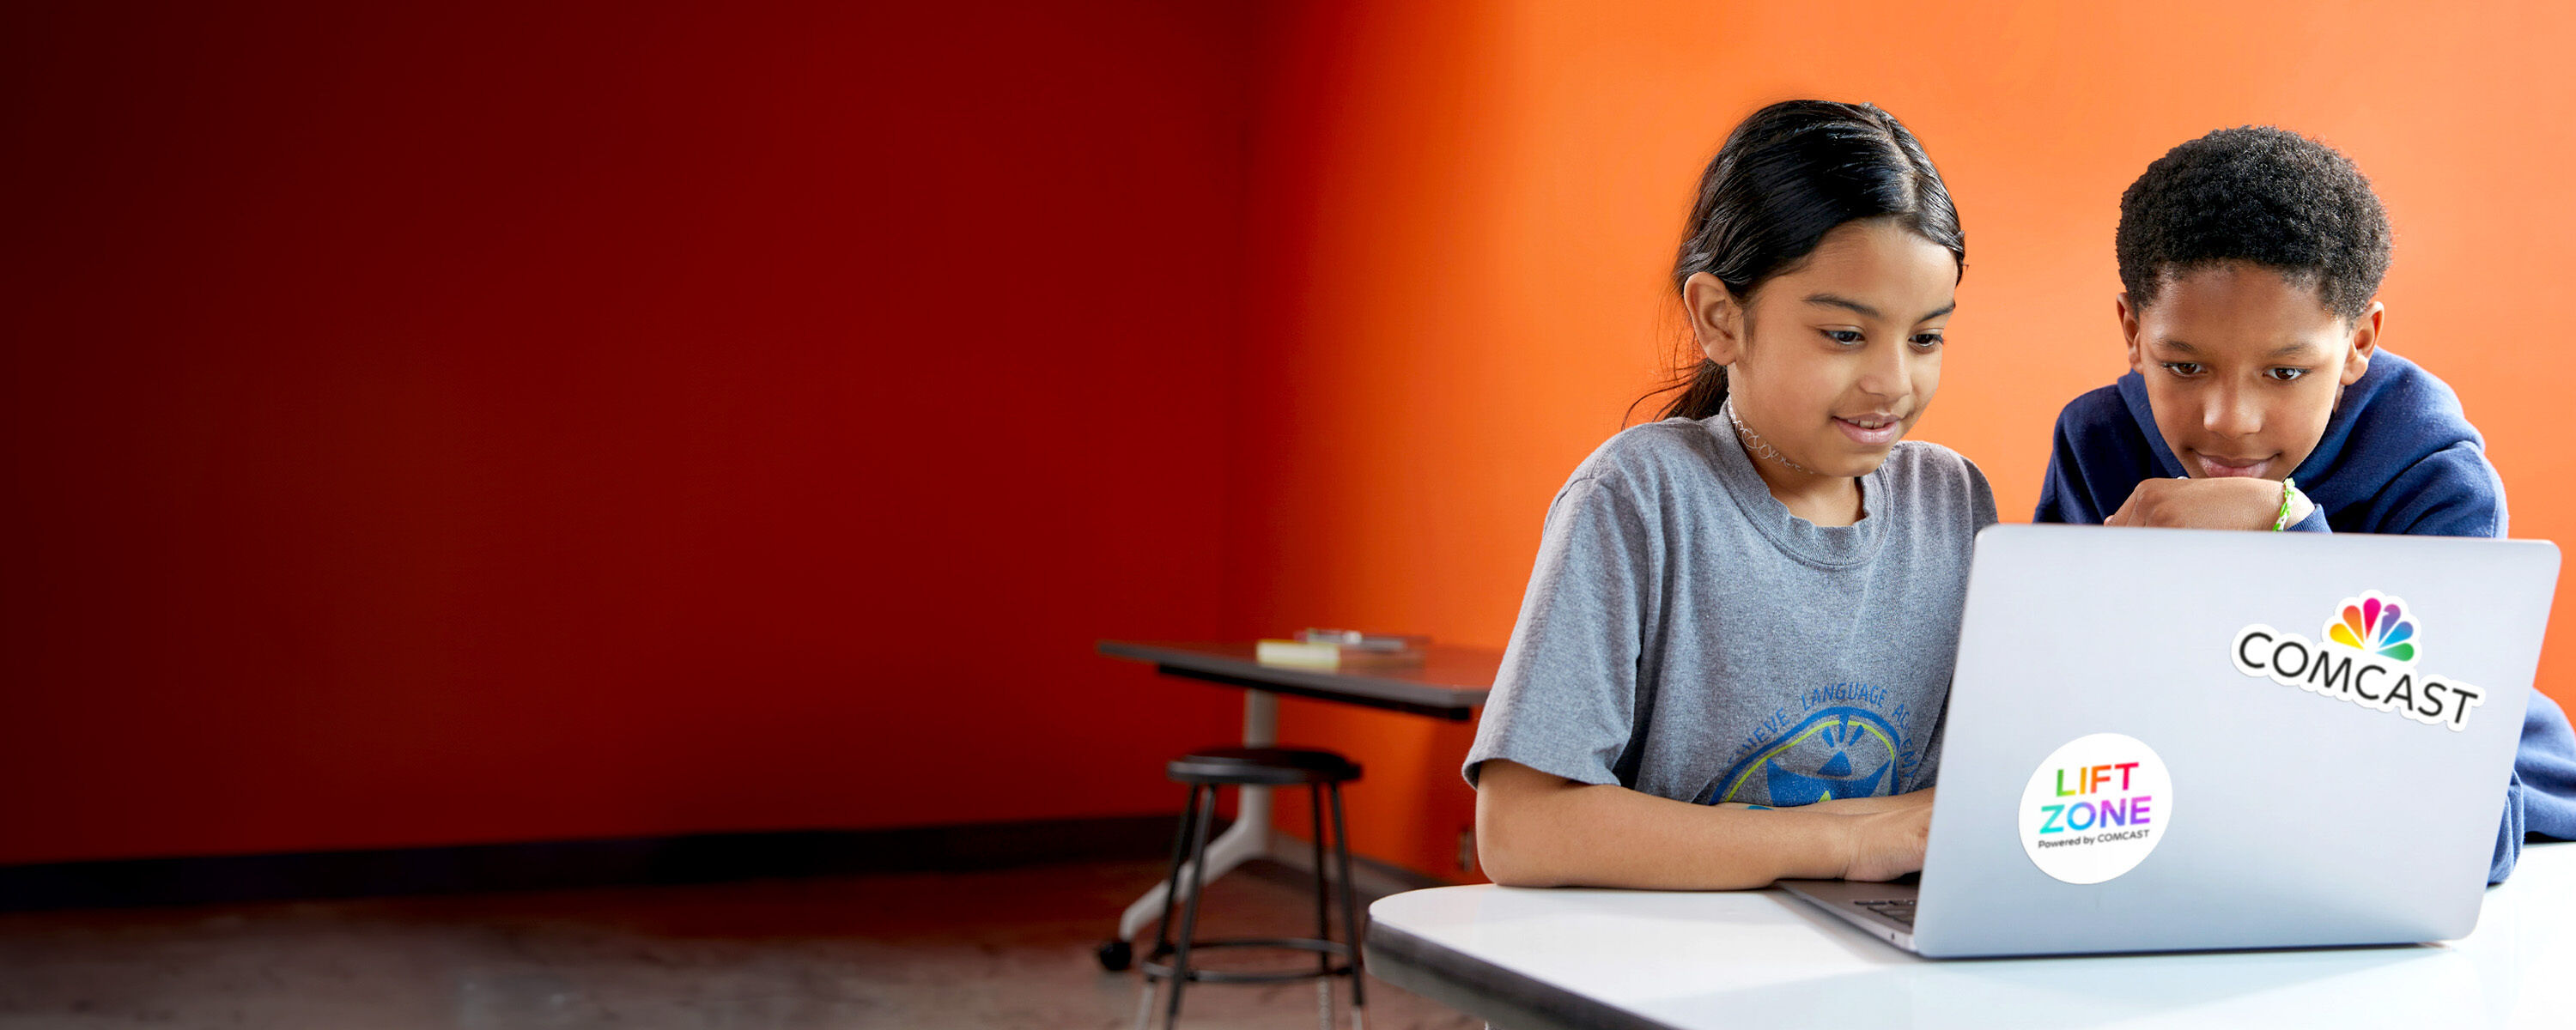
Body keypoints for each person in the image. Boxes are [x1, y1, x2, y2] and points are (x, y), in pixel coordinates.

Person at [1466, 100, 1995, 890]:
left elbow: (1970, 798)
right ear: (1720, 320)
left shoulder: (1951, 502)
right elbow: (1521, 827)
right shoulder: (1640, 495)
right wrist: (1842, 842)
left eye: (1926, 337)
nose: (1893, 382)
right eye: (1845, 335)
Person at [2033, 125, 2576, 881]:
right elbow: (2055, 720)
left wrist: (2284, 524)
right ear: (2132, 331)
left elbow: (2465, 837)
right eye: (2183, 365)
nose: (2230, 419)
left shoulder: (2439, 483)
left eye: (2285, 374)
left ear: (2359, 343)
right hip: (2220, 825)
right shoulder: (2098, 443)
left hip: (2526, 861)